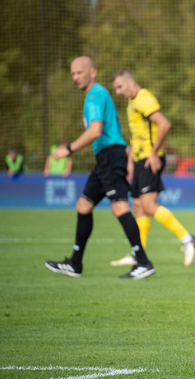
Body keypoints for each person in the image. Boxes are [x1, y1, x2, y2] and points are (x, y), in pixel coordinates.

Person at [45, 56, 155, 280]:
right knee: (83, 205)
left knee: (120, 208)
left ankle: (143, 262)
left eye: (79, 72)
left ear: (92, 72)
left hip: (111, 157)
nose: (75, 77)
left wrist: (69, 148)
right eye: (72, 73)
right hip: (106, 158)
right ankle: (75, 264)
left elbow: (95, 131)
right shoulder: (95, 95)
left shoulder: (95, 94)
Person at [110, 69, 195, 267]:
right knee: (139, 208)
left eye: (120, 86)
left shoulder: (143, 98)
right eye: (115, 88)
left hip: (151, 160)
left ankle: (187, 239)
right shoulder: (132, 103)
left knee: (149, 206)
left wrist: (153, 152)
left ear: (131, 82)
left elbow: (164, 124)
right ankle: (138, 254)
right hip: (140, 160)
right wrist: (131, 162)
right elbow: (138, 136)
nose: (117, 91)